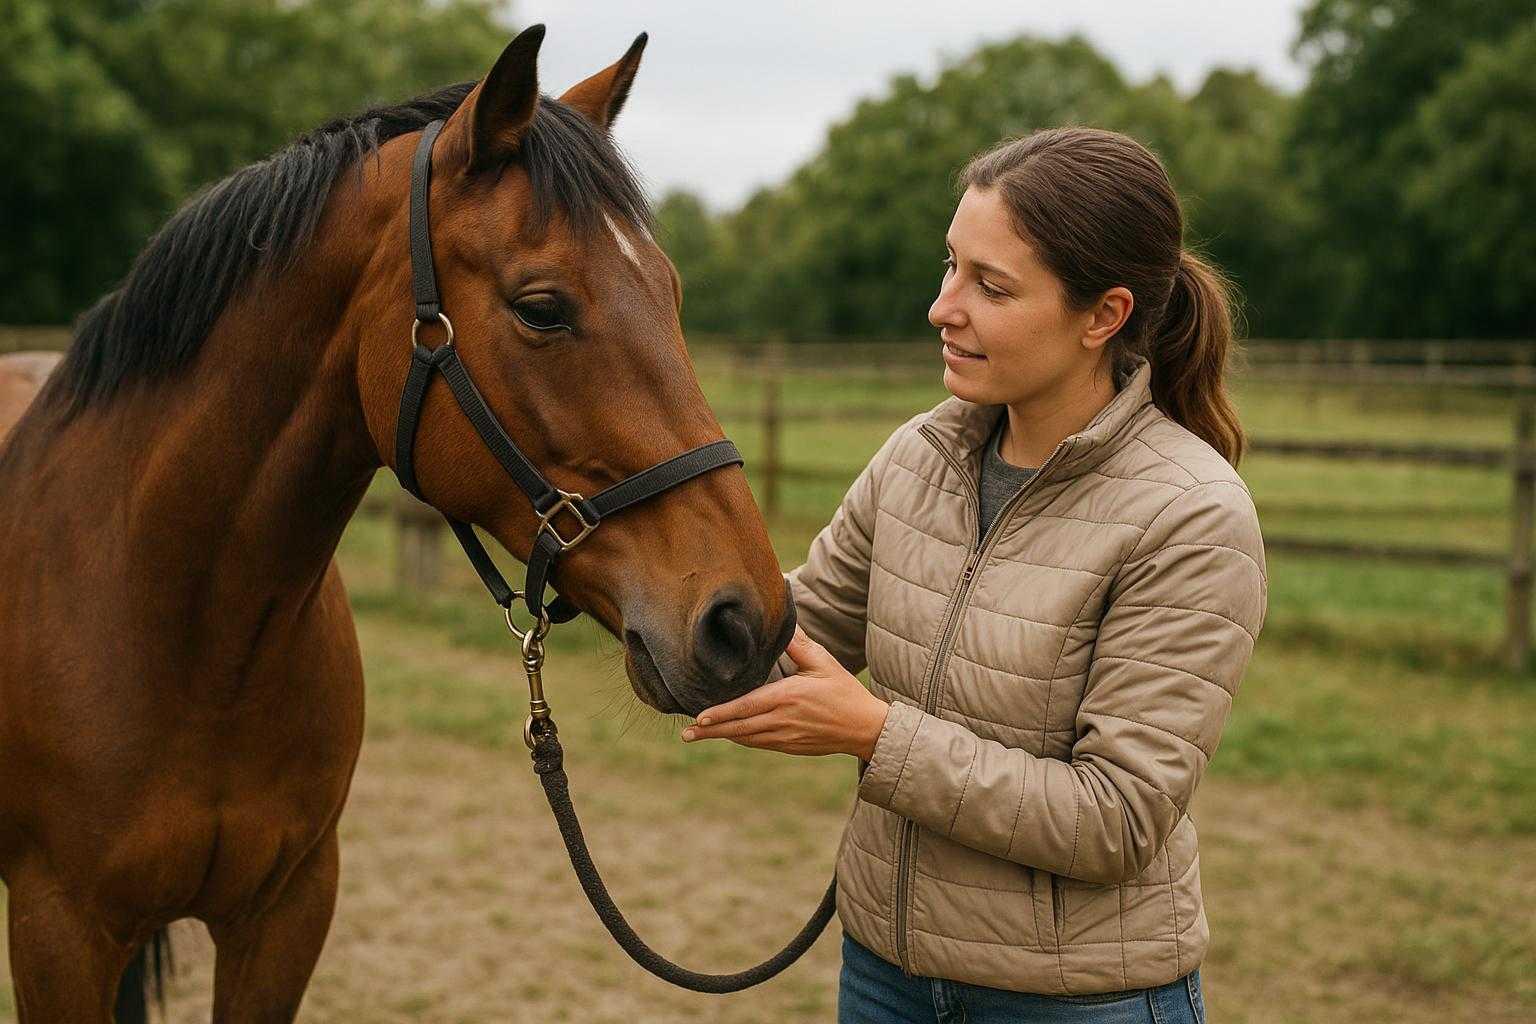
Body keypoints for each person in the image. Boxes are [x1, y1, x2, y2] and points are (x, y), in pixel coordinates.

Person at [682, 126, 1266, 1023]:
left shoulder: (1190, 514)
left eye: (991, 286)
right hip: (885, 975)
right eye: (951, 266)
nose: (942, 307)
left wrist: (876, 734)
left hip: (1078, 1004)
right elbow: (780, 636)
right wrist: (616, 573)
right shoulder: (920, 455)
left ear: (1102, 317)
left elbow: (1116, 820)